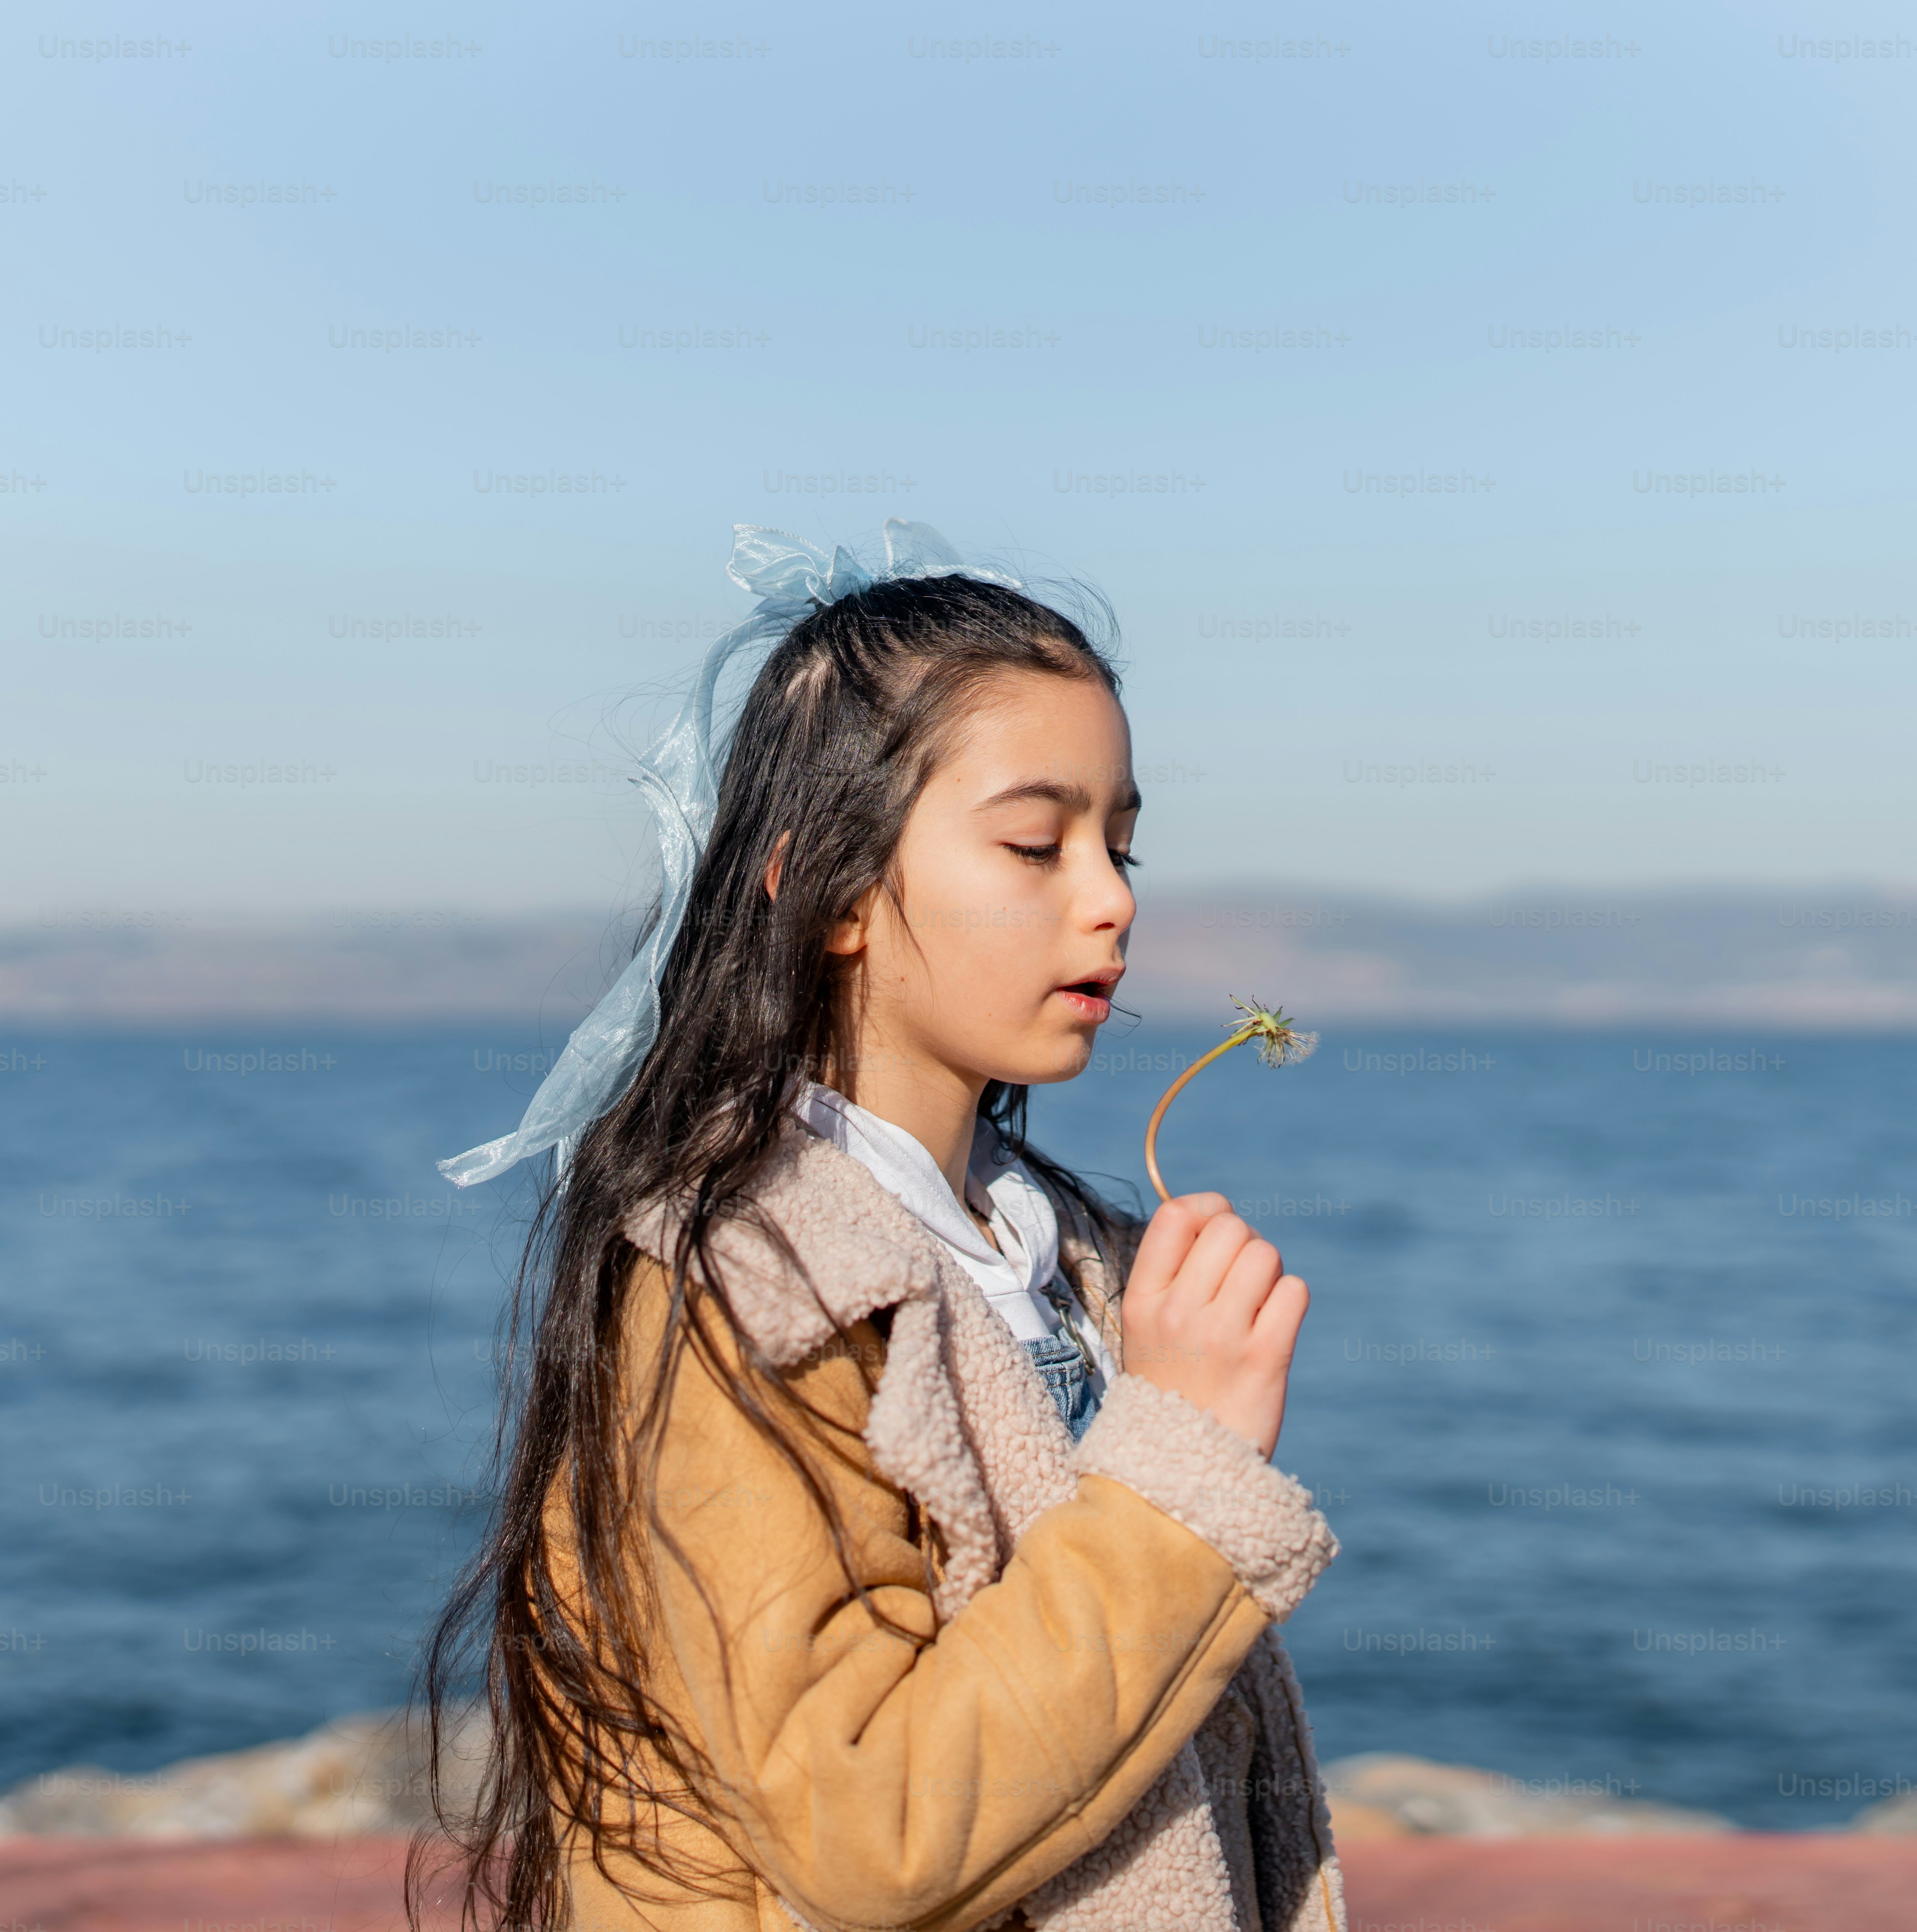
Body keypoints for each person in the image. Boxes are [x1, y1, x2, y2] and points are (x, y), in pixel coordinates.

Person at [419, 522, 1346, 1932]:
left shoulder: (1056, 1252)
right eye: (1036, 844)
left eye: (1121, 847)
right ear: (832, 885)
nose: (1109, 901)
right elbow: (872, 1832)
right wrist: (1185, 1468)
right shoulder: (738, 1279)